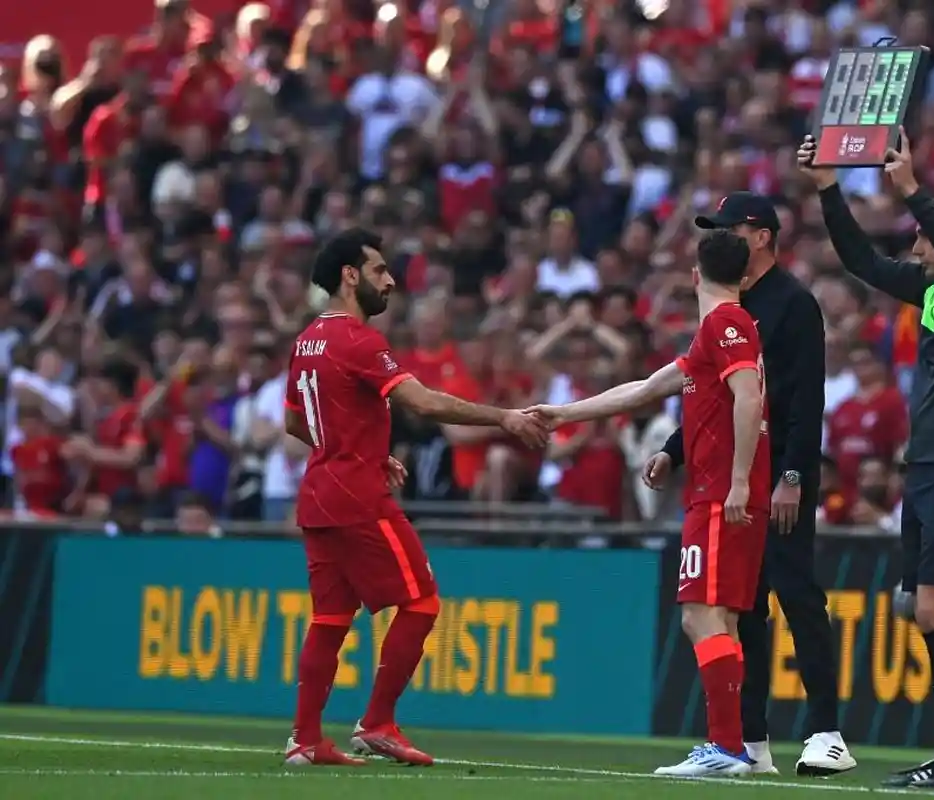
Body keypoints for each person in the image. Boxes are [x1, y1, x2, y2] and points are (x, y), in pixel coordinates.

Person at [799, 129, 934, 790]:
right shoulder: (932, 294)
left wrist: (914, 191)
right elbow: (861, 260)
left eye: (924, 239)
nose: (916, 250)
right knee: (927, 611)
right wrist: (828, 188)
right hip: (924, 467)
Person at [282, 228, 548, 767]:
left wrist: (359, 447)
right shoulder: (359, 340)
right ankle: (377, 723)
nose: (390, 281)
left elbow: (295, 421)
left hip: (319, 493)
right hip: (357, 497)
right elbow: (422, 403)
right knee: (421, 601)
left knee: (330, 618)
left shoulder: (308, 339)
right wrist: (503, 417)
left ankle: (305, 740)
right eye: (379, 270)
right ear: (350, 276)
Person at [531, 230, 771, 777]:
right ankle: (737, 747)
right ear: (744, 276)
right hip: (723, 492)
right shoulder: (720, 332)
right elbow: (643, 389)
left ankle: (726, 748)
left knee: (699, 615)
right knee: (722, 619)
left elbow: (749, 396)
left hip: (721, 494)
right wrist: (565, 413)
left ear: (695, 276)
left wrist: (737, 480)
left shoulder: (725, 324)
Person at [650, 193, 853, 776]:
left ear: (762, 236)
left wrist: (792, 475)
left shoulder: (792, 303)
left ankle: (827, 733)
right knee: (746, 607)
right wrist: (673, 450)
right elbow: (709, 393)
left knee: (797, 592)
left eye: (730, 228)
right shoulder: (730, 305)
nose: (720, 237)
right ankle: (752, 740)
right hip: (744, 474)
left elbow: (804, 398)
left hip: (777, 471)